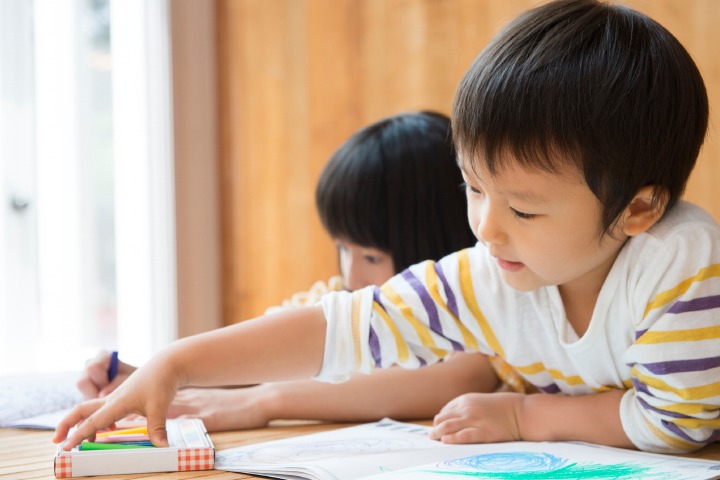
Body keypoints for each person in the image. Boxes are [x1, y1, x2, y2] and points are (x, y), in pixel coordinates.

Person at [55, 0, 717, 455]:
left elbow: (678, 424)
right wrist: (177, 360)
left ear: (637, 210)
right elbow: (347, 326)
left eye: (524, 209)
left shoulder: (678, 264)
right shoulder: (490, 273)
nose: (485, 228)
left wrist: (524, 414)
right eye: (474, 188)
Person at [76, 111, 499, 432]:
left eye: (370, 257)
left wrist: (264, 403)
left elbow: (462, 375)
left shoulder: (478, 304)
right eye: (342, 249)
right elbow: (268, 356)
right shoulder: (337, 293)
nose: (351, 276)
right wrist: (156, 377)